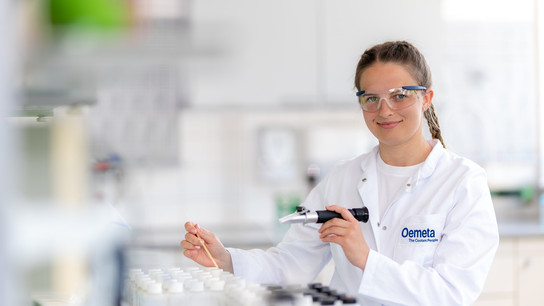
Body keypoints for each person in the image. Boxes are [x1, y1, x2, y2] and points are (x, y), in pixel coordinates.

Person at [180, 41, 499, 305]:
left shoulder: (462, 182)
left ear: (426, 98)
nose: (384, 110)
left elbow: (453, 292)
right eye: (371, 98)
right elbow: (292, 263)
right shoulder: (343, 178)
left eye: (399, 95)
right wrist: (226, 259)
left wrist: (365, 258)